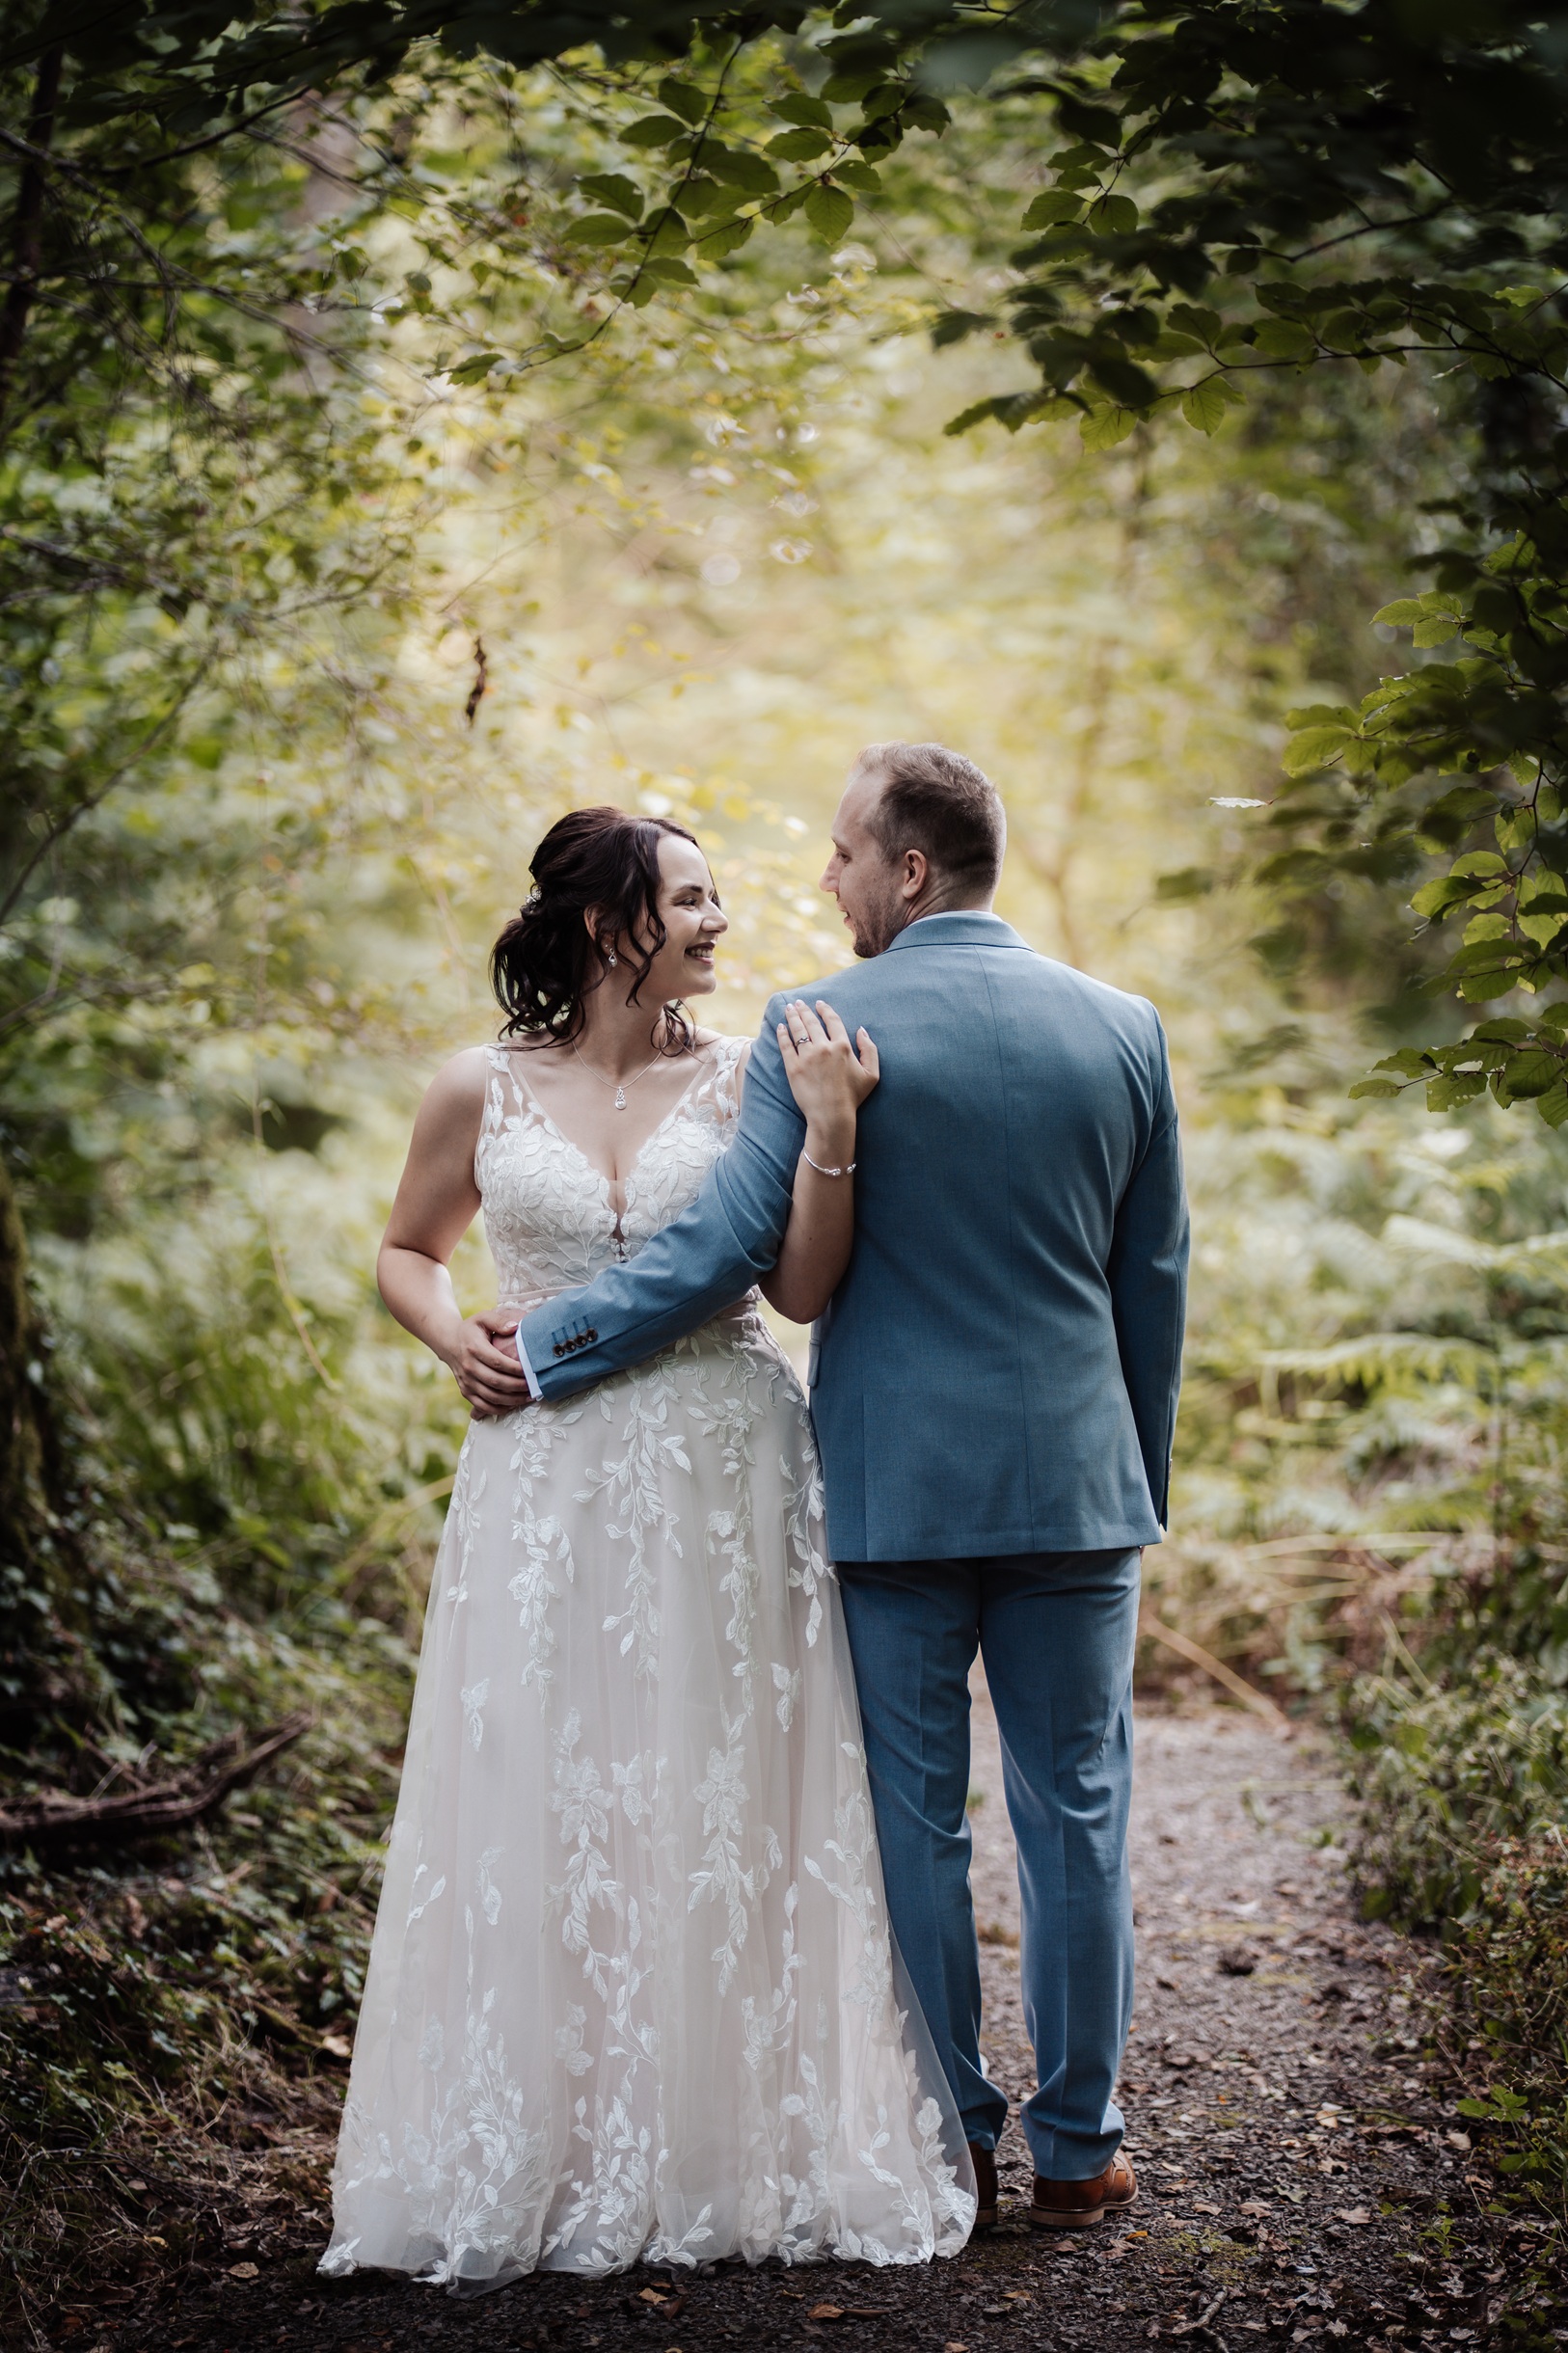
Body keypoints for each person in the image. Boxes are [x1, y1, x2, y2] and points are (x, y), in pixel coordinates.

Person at [508, 743, 1190, 2233]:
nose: (817, 881)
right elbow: (1154, 1284)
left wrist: (553, 1337)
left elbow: (722, 1252)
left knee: (916, 1826)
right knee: (1077, 1811)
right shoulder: (1123, 1028)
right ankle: (1082, 2149)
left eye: (838, 853)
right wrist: (1135, 1465)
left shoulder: (816, 1024)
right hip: (1081, 1486)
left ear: (908, 870)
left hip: (894, 1496)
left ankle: (955, 2138)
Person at [320, 805, 975, 2290]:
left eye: (717, 896)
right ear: (608, 917)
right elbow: (405, 1250)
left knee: (719, 1789)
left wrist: (828, 1136)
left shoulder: (753, 1076)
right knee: (547, 1791)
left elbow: (801, 1291)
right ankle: (545, 2140)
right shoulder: (472, 1085)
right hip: (540, 1480)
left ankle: (722, 2142)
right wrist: (450, 1345)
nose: (718, 920)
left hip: (722, 1463)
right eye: (689, 898)